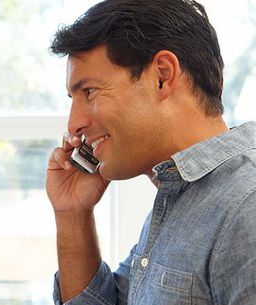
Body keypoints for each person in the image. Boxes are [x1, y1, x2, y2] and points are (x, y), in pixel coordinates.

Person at [45, 0, 256, 304]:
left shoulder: (245, 207)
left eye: (89, 91)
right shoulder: (179, 199)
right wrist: (72, 215)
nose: (74, 124)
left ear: (162, 75)